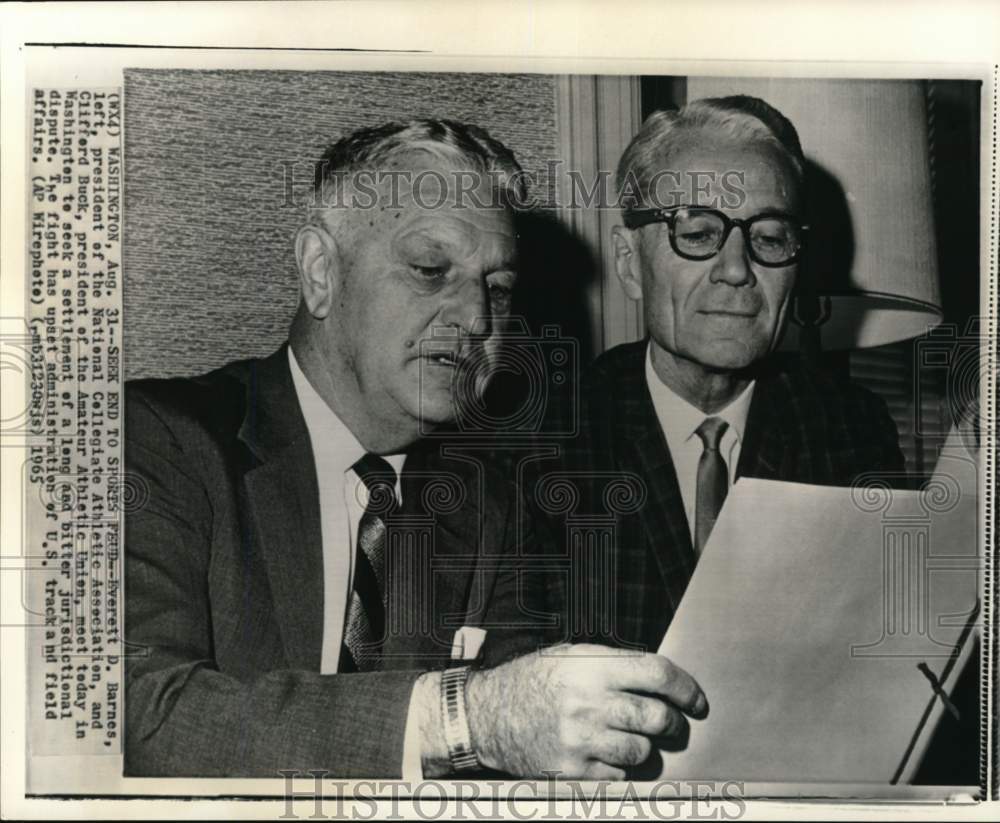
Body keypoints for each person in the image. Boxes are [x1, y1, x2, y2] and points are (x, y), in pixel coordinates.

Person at [124, 119, 708, 780]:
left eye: (499, 288)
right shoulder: (157, 442)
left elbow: (522, 746)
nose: (478, 320)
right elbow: (136, 716)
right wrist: (462, 717)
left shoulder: (491, 502)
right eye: (431, 270)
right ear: (321, 273)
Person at [524, 95, 905, 654]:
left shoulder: (850, 428)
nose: (735, 269)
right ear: (630, 263)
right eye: (698, 233)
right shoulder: (539, 440)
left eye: (770, 237)